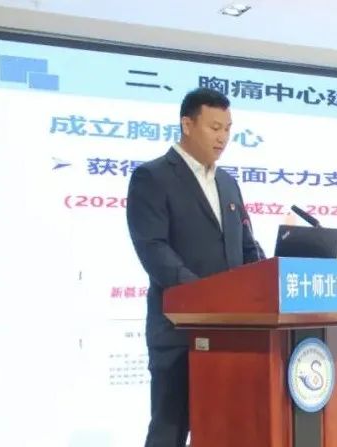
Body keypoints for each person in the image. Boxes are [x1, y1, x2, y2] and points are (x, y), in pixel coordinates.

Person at [126, 87, 263, 447]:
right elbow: (153, 248)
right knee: (170, 429)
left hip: (233, 332)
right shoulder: (153, 177)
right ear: (187, 125)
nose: (223, 138)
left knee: (225, 427)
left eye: (228, 129)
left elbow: (246, 246)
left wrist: (271, 275)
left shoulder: (228, 183)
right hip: (178, 330)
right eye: (214, 127)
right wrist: (204, 298)